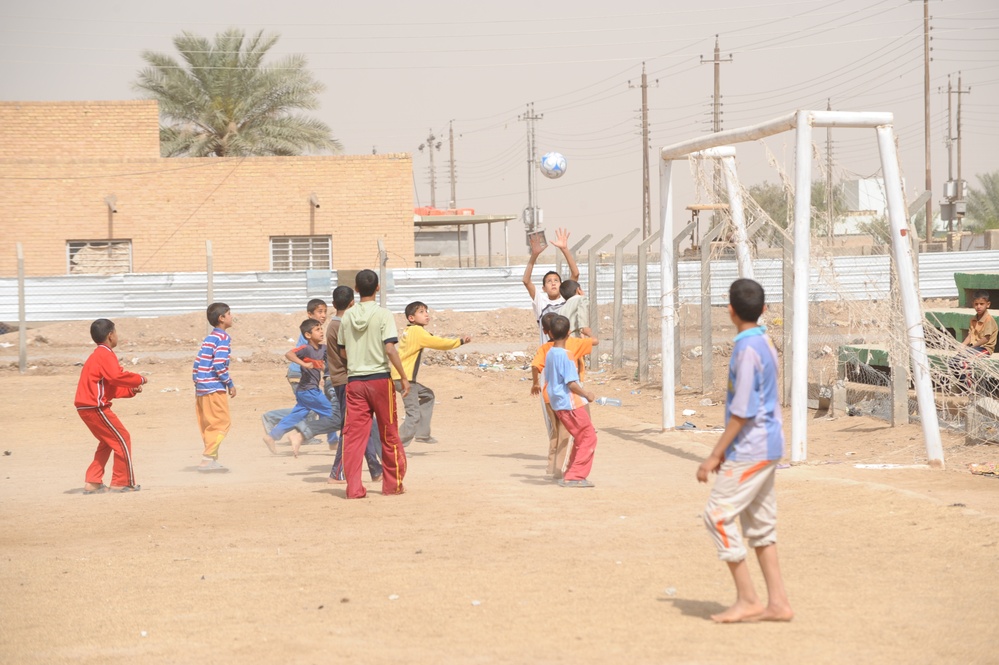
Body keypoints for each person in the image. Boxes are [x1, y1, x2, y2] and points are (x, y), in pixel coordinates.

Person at [696, 278, 793, 624]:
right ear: (764, 309)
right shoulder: (765, 341)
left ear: (730, 310)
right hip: (767, 444)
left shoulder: (747, 349)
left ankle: (748, 598)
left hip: (752, 448)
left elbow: (742, 411)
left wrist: (715, 454)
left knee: (718, 515)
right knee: (761, 527)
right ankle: (778, 603)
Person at [336, 269, 410, 498]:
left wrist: (359, 358)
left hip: (355, 382)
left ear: (356, 290)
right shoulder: (383, 314)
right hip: (380, 380)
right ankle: (392, 485)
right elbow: (390, 348)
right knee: (388, 433)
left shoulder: (347, 316)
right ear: (378, 288)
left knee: (354, 437)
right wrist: (403, 376)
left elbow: (342, 350)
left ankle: (354, 489)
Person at [75, 318, 147, 494]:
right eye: (116, 332)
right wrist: (139, 378)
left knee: (108, 441)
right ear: (110, 335)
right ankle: (121, 482)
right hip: (95, 407)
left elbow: (108, 387)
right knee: (123, 438)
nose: (117, 336)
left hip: (87, 407)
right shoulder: (105, 354)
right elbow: (116, 376)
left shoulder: (97, 355)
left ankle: (93, 482)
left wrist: (131, 390)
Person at [391, 301, 471, 446]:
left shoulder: (410, 330)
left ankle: (422, 434)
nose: (426, 314)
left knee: (428, 395)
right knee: (413, 414)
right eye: (421, 312)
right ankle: (396, 445)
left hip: (398, 376)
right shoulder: (417, 332)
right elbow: (438, 343)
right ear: (411, 318)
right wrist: (459, 341)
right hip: (405, 379)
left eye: (426, 311)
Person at [326, 285, 383, 484]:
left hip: (341, 379)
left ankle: (375, 469)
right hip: (348, 380)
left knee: (361, 425)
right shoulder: (344, 325)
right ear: (352, 302)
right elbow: (348, 354)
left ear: (333, 304)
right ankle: (337, 472)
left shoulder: (333, 324)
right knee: (351, 428)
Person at [531, 311, 597, 480]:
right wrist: (587, 394)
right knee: (588, 437)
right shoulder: (567, 355)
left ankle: (565, 471)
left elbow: (537, 367)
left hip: (555, 401)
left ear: (550, 333)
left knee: (576, 436)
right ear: (568, 333)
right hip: (571, 403)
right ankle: (574, 475)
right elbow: (571, 383)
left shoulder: (550, 352)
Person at [263, 319, 339, 458]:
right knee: (331, 412)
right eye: (317, 329)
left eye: (321, 328)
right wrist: (303, 364)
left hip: (308, 391)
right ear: (308, 335)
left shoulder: (323, 349)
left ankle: (272, 436)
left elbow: (323, 365)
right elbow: (289, 354)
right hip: (309, 391)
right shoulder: (306, 348)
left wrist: (323, 376)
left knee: (295, 416)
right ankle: (333, 441)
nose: (321, 331)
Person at [260, 298, 329, 447]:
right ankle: (272, 418)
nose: (323, 315)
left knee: (303, 409)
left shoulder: (315, 334)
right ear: (309, 314)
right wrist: (307, 366)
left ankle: (276, 434)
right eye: (320, 312)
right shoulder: (308, 335)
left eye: (325, 312)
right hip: (299, 375)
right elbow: (299, 356)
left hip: (303, 375)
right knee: (321, 410)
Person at [193, 302, 236, 472]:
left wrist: (198, 382)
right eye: (229, 314)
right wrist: (230, 384)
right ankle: (207, 458)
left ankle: (211, 460)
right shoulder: (223, 338)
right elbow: (219, 364)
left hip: (202, 388)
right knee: (222, 423)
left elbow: (197, 362)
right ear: (222, 318)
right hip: (213, 387)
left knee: (209, 425)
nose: (232, 317)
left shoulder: (209, 338)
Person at [522, 227, 580, 341]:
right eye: (549, 281)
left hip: (566, 352)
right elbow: (526, 281)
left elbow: (575, 274)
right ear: (544, 288)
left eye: (556, 280)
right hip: (548, 355)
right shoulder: (541, 302)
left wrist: (564, 249)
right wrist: (534, 255)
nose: (553, 283)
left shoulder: (567, 300)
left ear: (561, 284)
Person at [949, 291, 997, 392]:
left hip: (984, 348)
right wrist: (962, 346)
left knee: (964, 362)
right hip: (974, 348)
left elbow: (986, 338)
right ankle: (962, 385)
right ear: (973, 304)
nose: (978, 306)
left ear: (988, 305)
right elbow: (970, 336)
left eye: (981, 304)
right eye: (976, 304)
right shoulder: (973, 319)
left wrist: (972, 347)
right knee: (953, 362)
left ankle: (971, 388)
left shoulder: (989, 320)